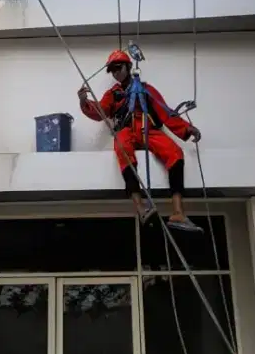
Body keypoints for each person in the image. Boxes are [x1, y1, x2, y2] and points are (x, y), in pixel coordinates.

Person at [78, 49, 202, 228]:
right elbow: (100, 111)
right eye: (112, 70)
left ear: (128, 66)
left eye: (118, 68)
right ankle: (141, 208)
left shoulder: (146, 90)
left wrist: (187, 128)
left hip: (146, 128)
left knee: (175, 153)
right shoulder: (113, 94)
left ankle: (178, 213)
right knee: (123, 150)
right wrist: (84, 102)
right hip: (126, 129)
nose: (115, 73)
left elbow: (165, 112)